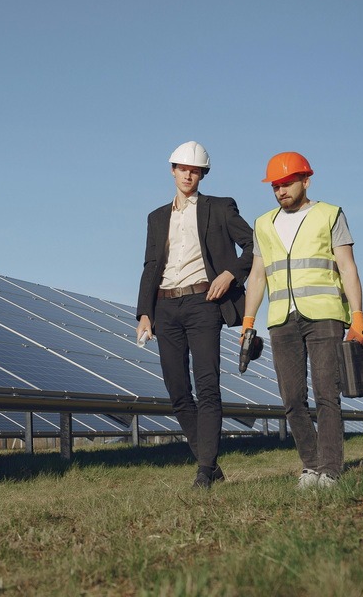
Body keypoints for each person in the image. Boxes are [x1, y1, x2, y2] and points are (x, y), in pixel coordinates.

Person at [243, 151, 363, 488]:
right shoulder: (263, 224)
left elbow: (348, 267)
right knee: (292, 399)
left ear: (305, 181)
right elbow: (257, 276)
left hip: (325, 315)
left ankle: (330, 470)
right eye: (275, 186)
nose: (280, 191)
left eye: (286, 183)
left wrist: (358, 316)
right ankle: (311, 466)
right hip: (281, 319)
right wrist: (248, 320)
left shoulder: (329, 215)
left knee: (327, 394)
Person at [136, 141, 253, 489]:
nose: (188, 175)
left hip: (205, 302)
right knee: (177, 390)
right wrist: (144, 312)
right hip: (165, 307)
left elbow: (254, 244)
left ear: (202, 174)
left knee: (207, 385)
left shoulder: (220, 208)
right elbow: (149, 265)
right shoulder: (156, 217)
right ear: (173, 171)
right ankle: (209, 461)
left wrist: (230, 274)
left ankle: (204, 469)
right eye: (183, 169)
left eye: (195, 170)